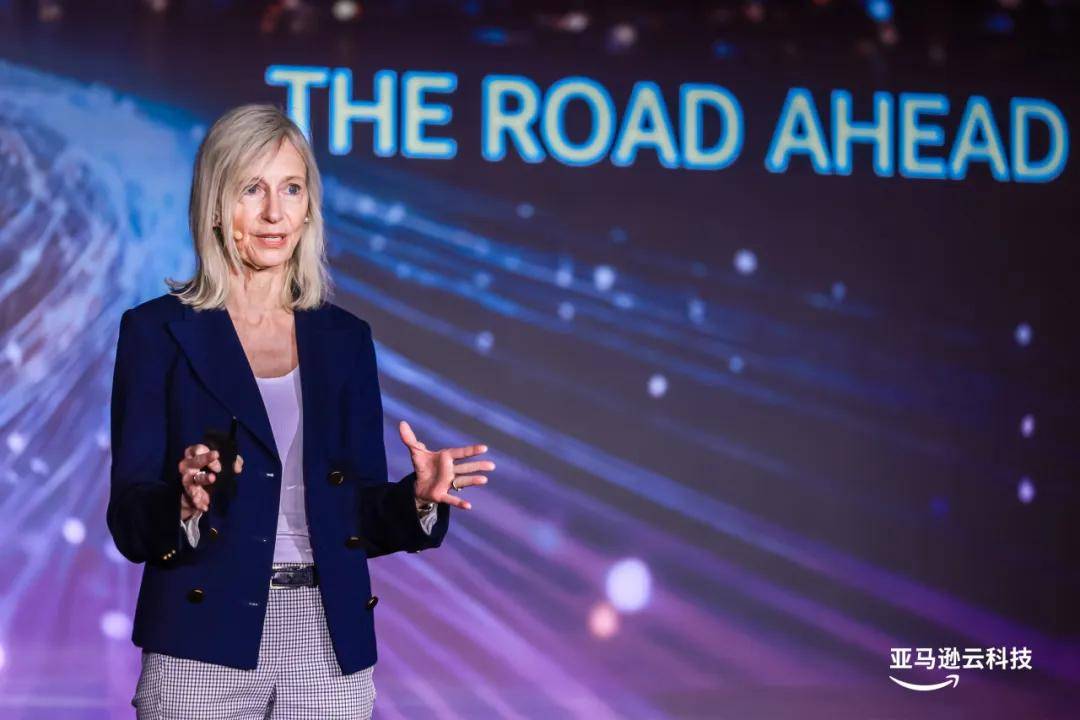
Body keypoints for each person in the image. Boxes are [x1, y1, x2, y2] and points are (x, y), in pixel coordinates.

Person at [107, 103, 495, 719]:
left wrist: (416, 499)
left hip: (326, 639)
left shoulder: (345, 339)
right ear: (214, 205)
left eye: (291, 188)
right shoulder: (157, 332)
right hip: (201, 639)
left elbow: (358, 516)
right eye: (251, 189)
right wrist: (181, 503)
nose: (274, 213)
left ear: (310, 205)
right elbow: (129, 518)